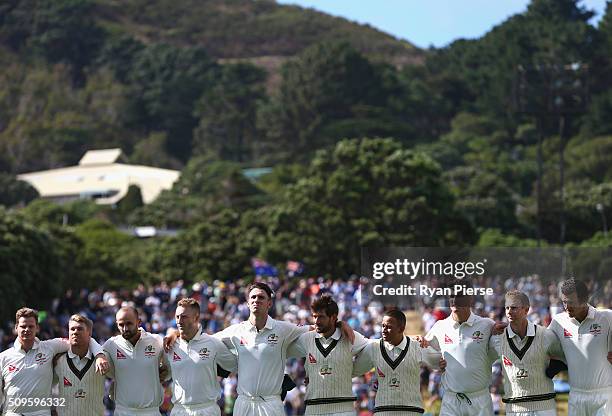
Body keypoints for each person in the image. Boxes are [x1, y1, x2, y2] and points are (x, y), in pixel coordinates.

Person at [212, 282, 310, 416]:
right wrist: (175, 334)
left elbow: (315, 329)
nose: (256, 300)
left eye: (261, 297)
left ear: (269, 303)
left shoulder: (283, 329)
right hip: (243, 403)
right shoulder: (236, 330)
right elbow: (205, 341)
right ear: (247, 302)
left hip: (271, 404)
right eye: (252, 297)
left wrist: (339, 324)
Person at [0, 307, 108, 416]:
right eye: (23, 326)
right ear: (16, 327)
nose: (27, 329)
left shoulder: (50, 347)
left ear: (37, 328)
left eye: (31, 326)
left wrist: (99, 355)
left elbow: (83, 339)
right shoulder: (3, 357)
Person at [423, 282, 497, 416]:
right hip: (451, 401)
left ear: (470, 299)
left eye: (460, 295)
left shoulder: (487, 325)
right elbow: (424, 352)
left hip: (480, 401)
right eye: (452, 296)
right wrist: (435, 363)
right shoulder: (440, 326)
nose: (454, 300)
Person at [287, 295, 369, 415]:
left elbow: (373, 349)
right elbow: (279, 348)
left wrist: (353, 371)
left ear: (333, 317)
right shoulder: (306, 339)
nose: (316, 321)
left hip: (343, 410)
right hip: (313, 409)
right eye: (314, 316)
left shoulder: (349, 336)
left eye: (321, 317)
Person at [353, 308, 442, 416]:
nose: (384, 330)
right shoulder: (374, 347)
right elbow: (353, 371)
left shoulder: (417, 346)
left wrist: (443, 364)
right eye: (383, 326)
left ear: (401, 328)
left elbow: (441, 362)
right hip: (383, 412)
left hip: (411, 411)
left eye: (389, 327)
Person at [489, 290, 564, 416]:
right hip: (514, 409)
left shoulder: (545, 335)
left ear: (526, 309)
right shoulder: (497, 339)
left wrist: (556, 366)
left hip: (544, 408)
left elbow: (567, 356)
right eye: (507, 308)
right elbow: (480, 360)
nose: (509, 311)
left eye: (514, 308)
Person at [548, 278, 612, 416]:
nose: (566, 307)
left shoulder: (607, 317)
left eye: (571, 302)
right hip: (575, 396)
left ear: (584, 300)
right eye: (564, 302)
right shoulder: (558, 322)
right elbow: (540, 345)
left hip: (605, 396)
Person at [166, 298, 237, 416]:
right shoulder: (170, 345)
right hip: (179, 410)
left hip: (207, 410)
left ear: (196, 318)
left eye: (184, 317)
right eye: (177, 316)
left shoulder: (213, 343)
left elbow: (234, 365)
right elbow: (162, 373)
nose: (179, 321)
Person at [103, 306, 170, 416]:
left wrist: (164, 375)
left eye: (129, 323)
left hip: (151, 411)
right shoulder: (111, 344)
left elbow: (169, 369)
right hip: (122, 411)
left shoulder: (156, 341)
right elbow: (94, 350)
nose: (125, 329)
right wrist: (99, 357)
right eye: (121, 325)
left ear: (138, 322)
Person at [53, 314, 106, 416]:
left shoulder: (102, 359)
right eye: (72, 329)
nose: (75, 332)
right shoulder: (57, 360)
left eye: (80, 329)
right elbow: (48, 388)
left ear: (89, 333)